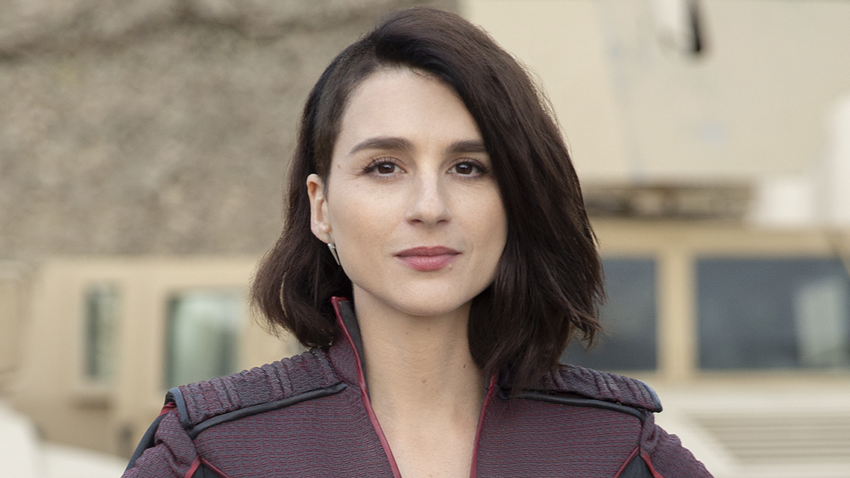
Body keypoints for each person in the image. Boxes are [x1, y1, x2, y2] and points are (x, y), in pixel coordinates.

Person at [123, 7, 712, 478]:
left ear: (516, 199)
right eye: (384, 167)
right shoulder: (215, 453)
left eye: (468, 168)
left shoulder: (617, 451)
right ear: (321, 207)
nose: (429, 207)